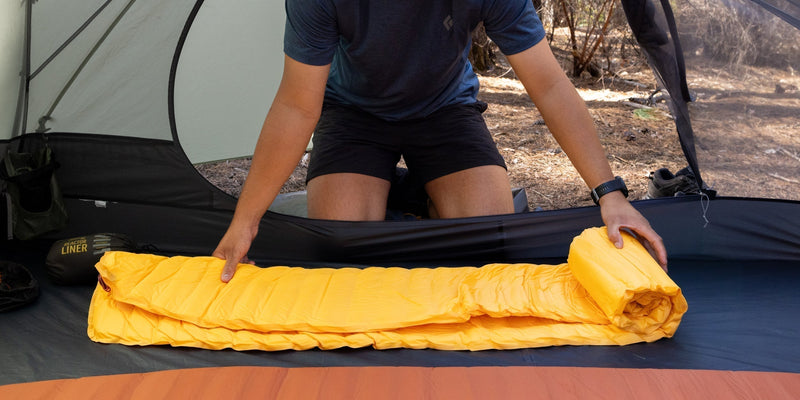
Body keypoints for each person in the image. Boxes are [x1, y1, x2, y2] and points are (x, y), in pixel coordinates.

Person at [213, 0, 668, 282]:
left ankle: (417, 190)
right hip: (354, 112)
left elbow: (548, 84)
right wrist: (245, 221)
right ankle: (395, 185)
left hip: (443, 108)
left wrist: (609, 194)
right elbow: (296, 106)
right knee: (342, 243)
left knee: (486, 237)